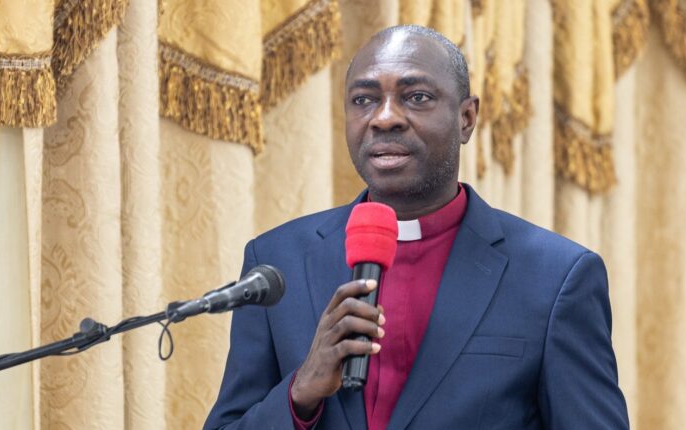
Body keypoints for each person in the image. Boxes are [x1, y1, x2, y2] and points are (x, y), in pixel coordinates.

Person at [203, 25, 629, 429]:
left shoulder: (556, 278)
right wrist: (300, 394)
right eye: (364, 99)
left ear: (466, 118)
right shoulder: (277, 264)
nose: (384, 118)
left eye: (417, 97)